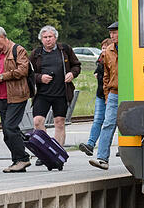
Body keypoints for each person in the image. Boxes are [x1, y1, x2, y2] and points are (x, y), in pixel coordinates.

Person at [29, 26, 82, 159]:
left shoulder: (64, 50)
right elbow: (28, 73)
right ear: (41, 39)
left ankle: (58, 153)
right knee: (37, 121)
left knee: (59, 122)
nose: (48, 40)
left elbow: (77, 65)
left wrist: (72, 73)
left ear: (55, 38)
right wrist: (40, 78)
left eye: (50, 37)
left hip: (61, 93)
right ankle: (45, 150)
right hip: (42, 94)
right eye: (45, 37)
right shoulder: (36, 53)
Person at [0, 26, 32, 173]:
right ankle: (17, 161)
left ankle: (23, 159)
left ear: (2, 37)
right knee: (7, 133)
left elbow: (23, 70)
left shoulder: (18, 50)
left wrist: (3, 76)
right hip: (2, 97)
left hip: (17, 95)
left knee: (10, 127)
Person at [89, 21, 119, 170]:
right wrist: (107, 95)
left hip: (130, 92)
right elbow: (106, 75)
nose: (112, 36)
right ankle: (102, 158)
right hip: (114, 92)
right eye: (111, 33)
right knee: (107, 124)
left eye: (115, 32)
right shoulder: (108, 52)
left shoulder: (131, 48)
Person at [79, 57, 105, 157]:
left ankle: (123, 145)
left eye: (105, 48)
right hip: (101, 95)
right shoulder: (101, 63)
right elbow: (96, 73)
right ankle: (90, 144)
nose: (103, 51)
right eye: (102, 48)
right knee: (97, 120)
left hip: (113, 94)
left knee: (112, 123)